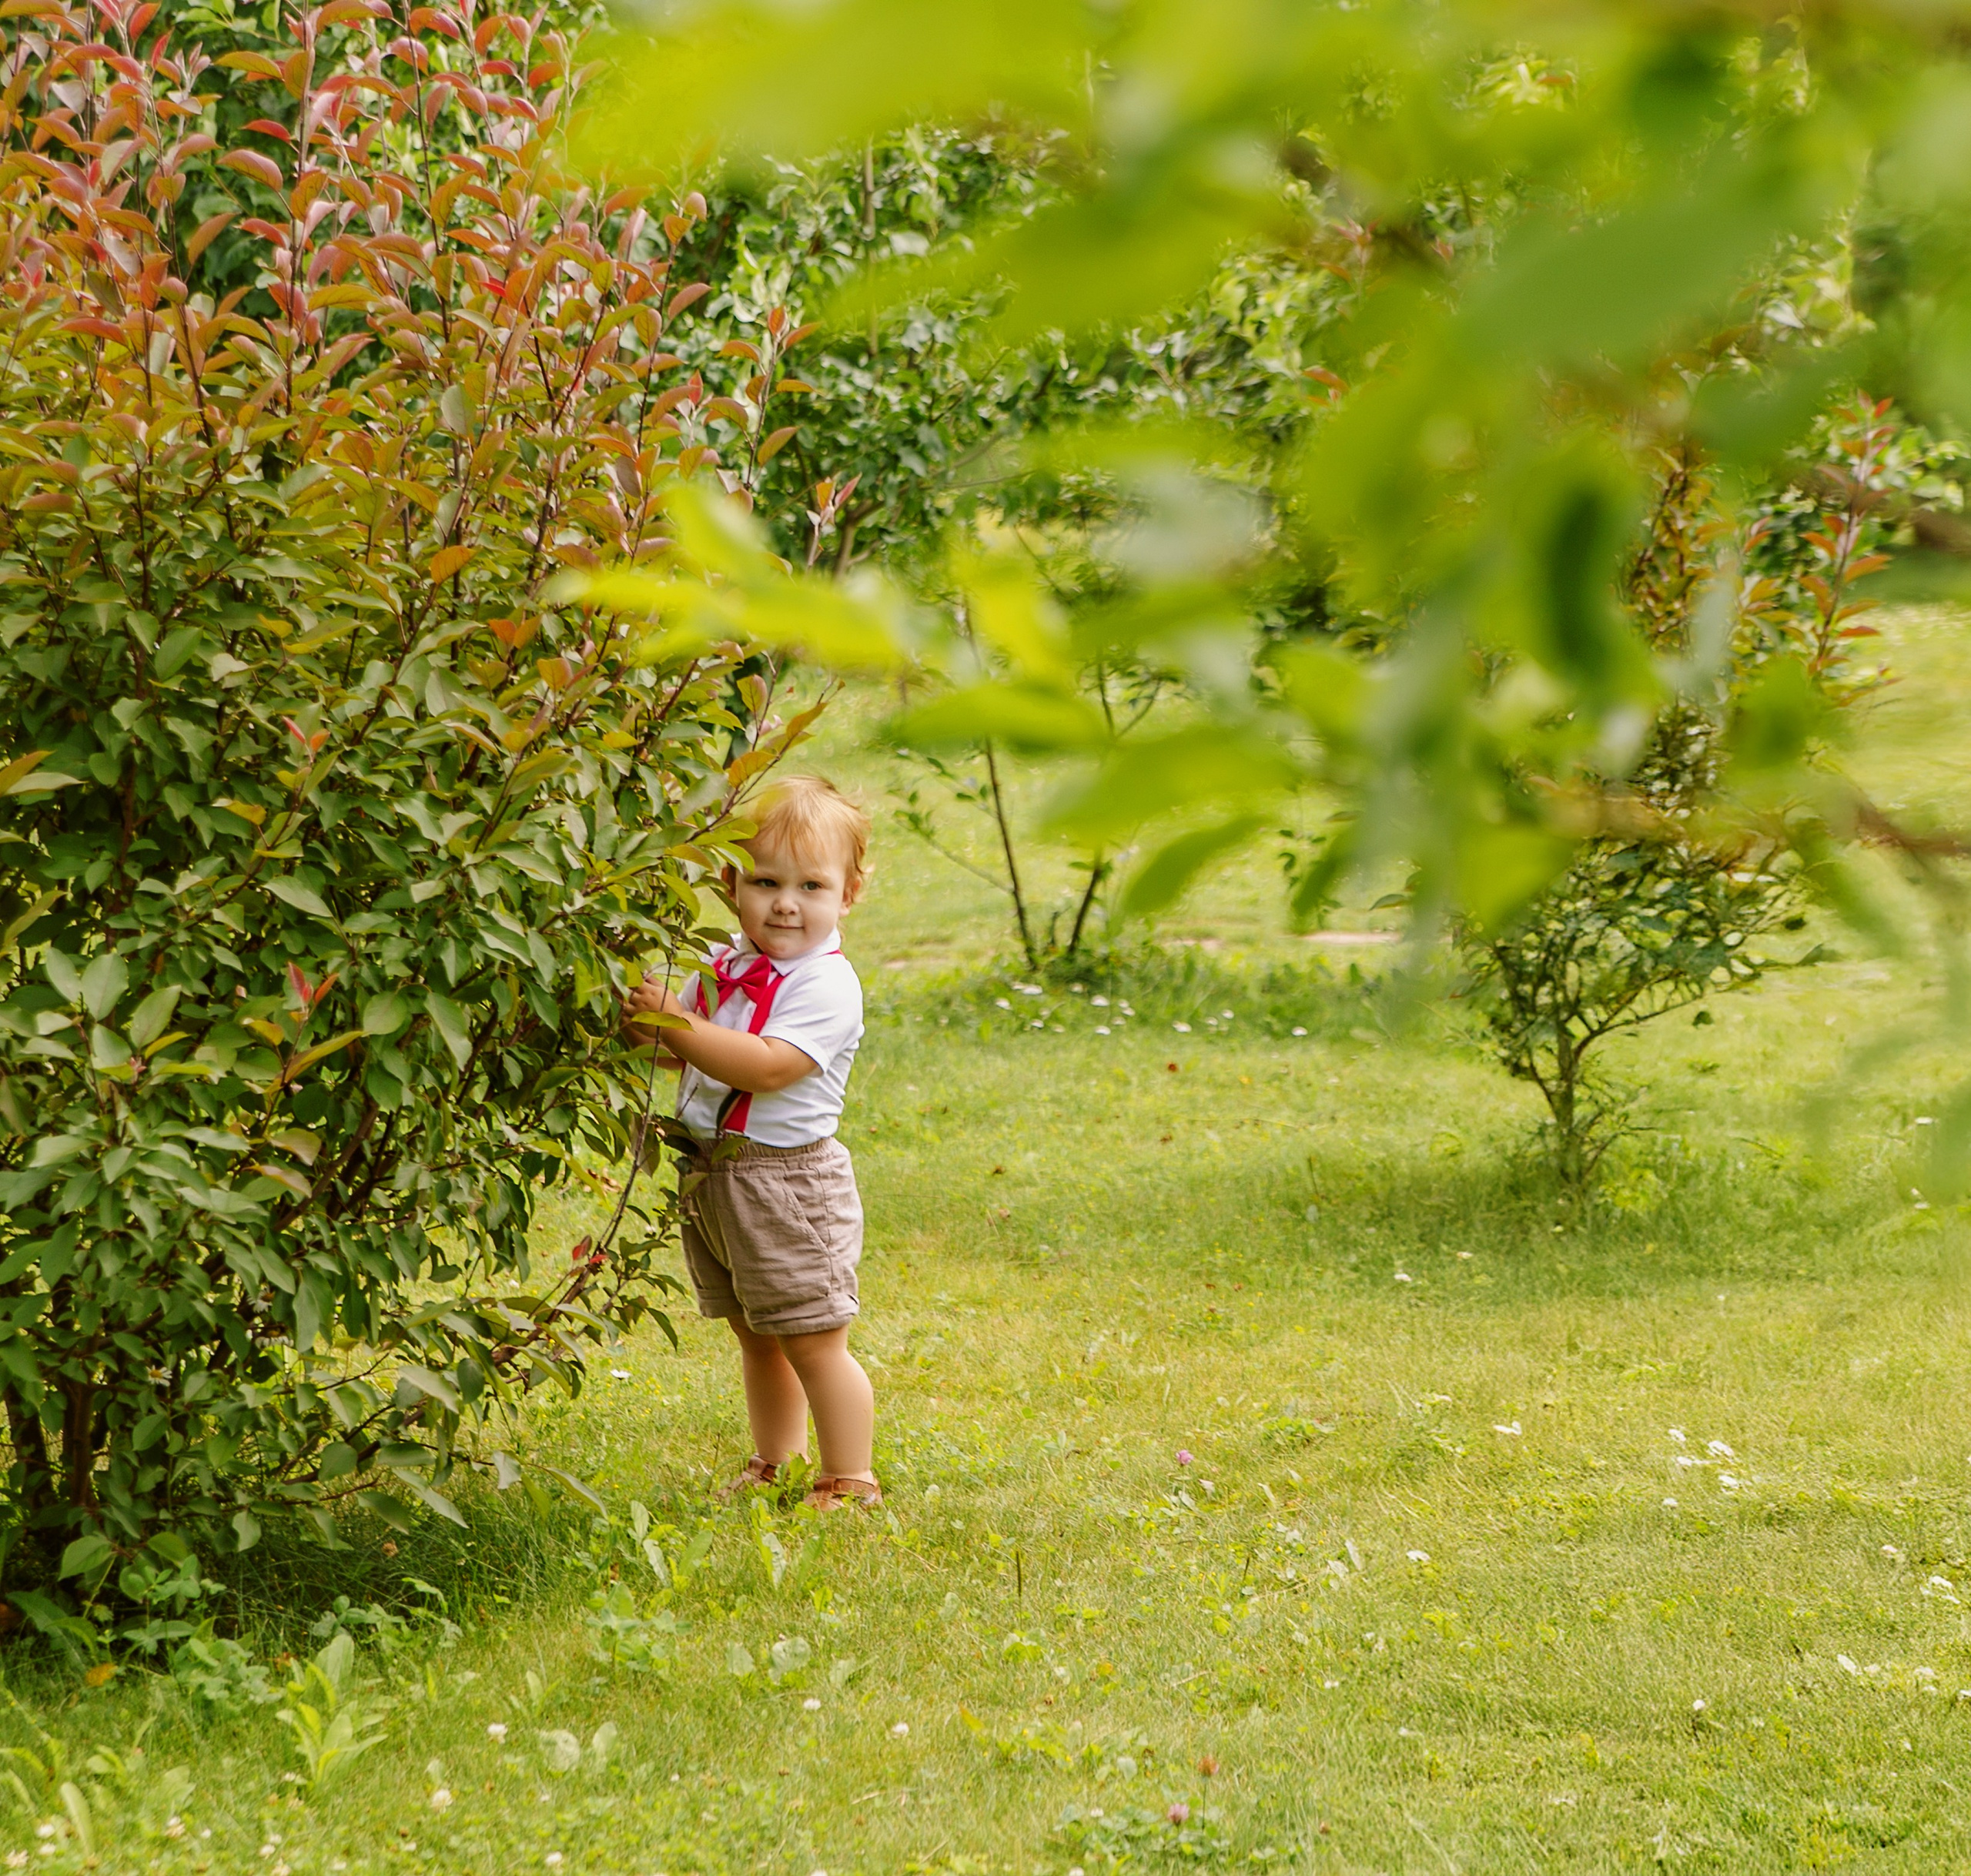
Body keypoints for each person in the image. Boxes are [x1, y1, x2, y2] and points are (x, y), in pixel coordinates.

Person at [621, 775, 880, 1511]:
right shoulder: (725, 966)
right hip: (715, 1174)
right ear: (731, 884)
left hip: (787, 1183)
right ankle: (777, 1460)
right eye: (765, 882)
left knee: (814, 1337)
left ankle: (850, 1478)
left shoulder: (826, 984)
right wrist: (644, 1022)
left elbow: (766, 1066)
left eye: (810, 885)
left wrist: (678, 1023)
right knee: (757, 1332)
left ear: (848, 894)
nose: (785, 903)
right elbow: (688, 1052)